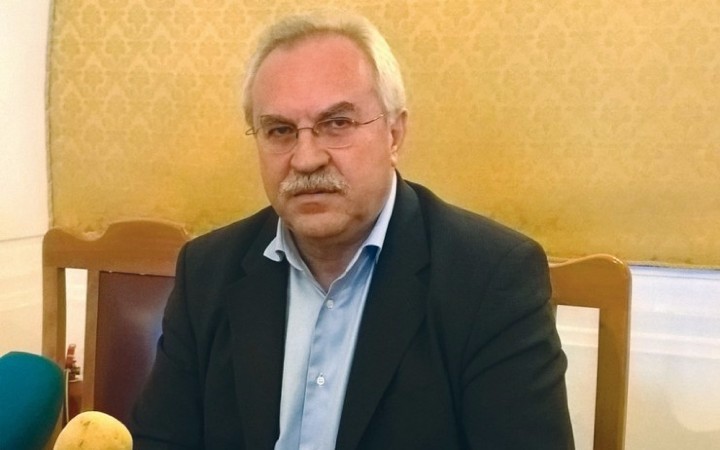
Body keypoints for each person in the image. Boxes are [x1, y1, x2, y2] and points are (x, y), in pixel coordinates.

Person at [130, 9, 574, 450]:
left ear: (394, 134)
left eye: (337, 124)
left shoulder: (490, 280)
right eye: (280, 130)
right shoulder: (207, 271)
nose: (306, 159)